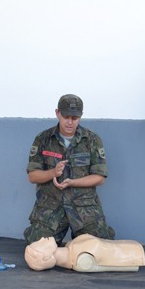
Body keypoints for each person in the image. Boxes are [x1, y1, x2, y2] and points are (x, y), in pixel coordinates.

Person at [24, 94, 115, 246]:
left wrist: (73, 182)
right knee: (38, 249)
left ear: (81, 116)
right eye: (66, 116)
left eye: (75, 118)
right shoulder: (43, 139)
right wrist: (52, 173)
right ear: (57, 113)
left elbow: (99, 177)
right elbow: (33, 176)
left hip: (84, 209)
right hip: (51, 208)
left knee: (101, 247)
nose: (70, 122)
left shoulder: (91, 140)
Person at [25, 234, 145, 272]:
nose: (42, 239)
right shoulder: (80, 261)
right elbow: (108, 259)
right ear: (46, 258)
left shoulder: (71, 248)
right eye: (39, 243)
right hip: (131, 253)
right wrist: (134, 259)